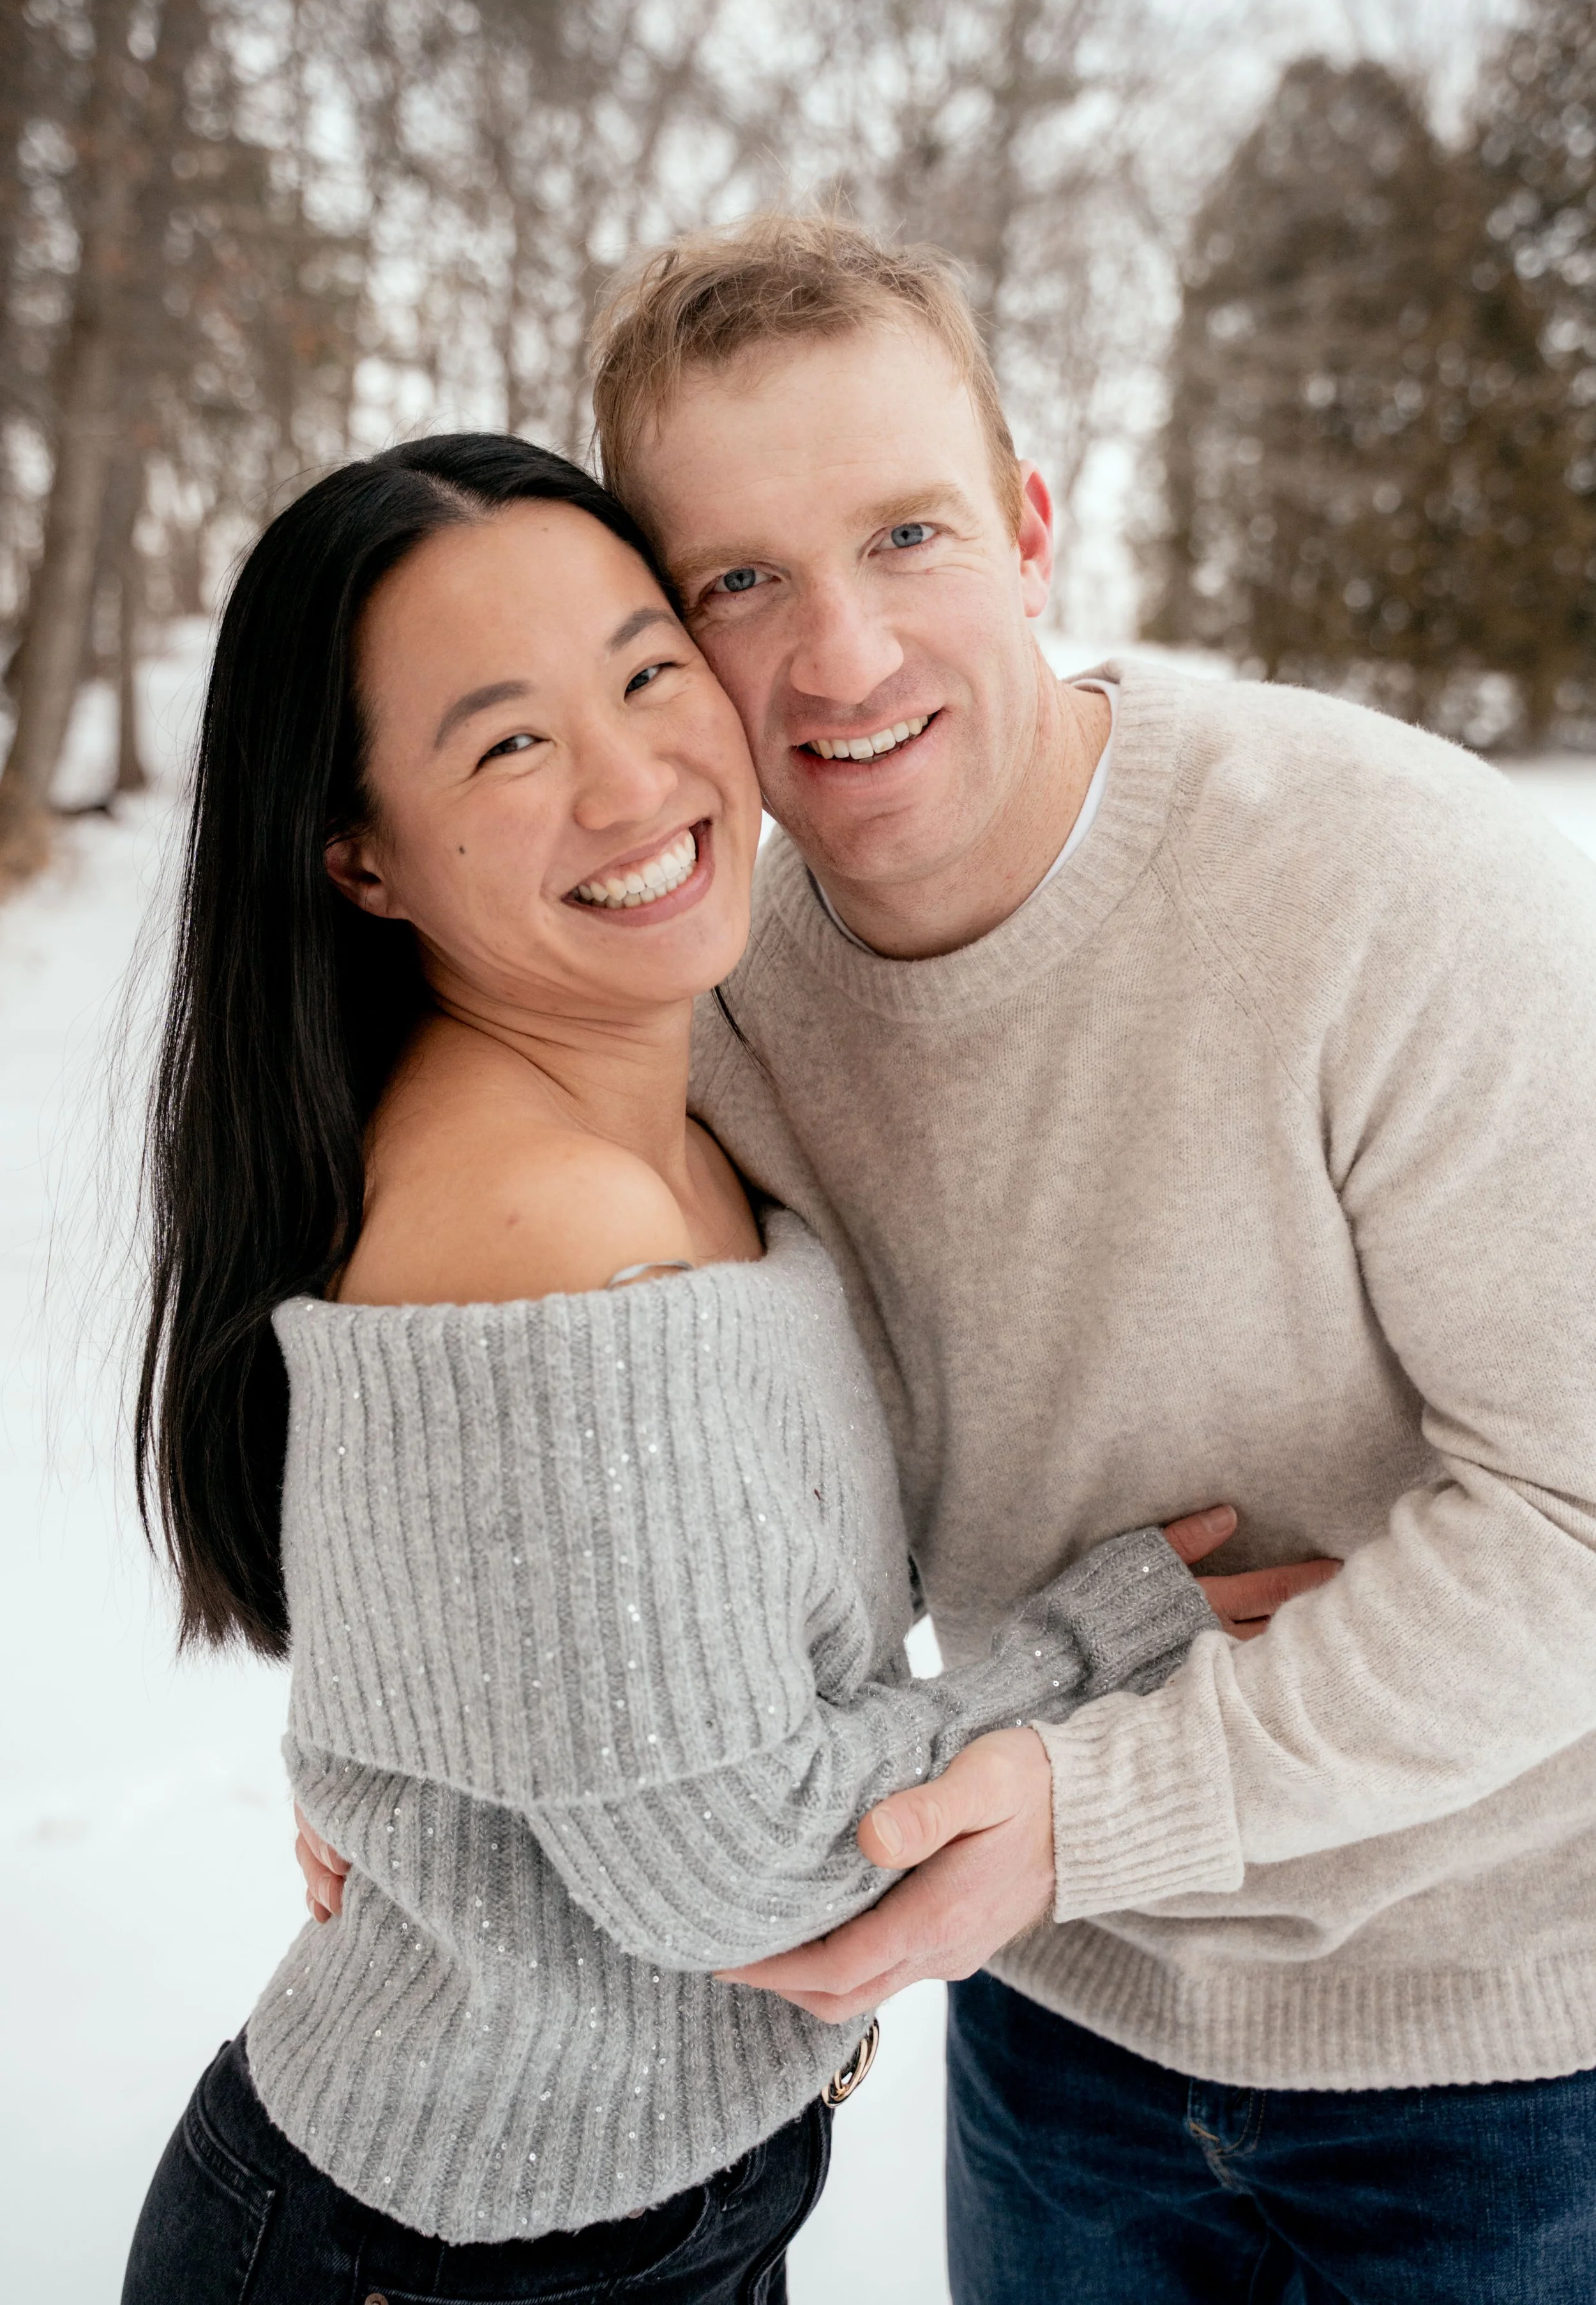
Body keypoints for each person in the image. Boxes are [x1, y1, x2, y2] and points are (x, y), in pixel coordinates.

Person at [308, 213, 1596, 2300]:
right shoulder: (697, 987)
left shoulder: (1392, 888)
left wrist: (1104, 1805)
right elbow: (501, 1374)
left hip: (1503, 2051)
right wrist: (398, 1724)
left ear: (1023, 526)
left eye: (905, 535)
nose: (837, 656)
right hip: (1051, 2030)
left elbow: (1581, 1507)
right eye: (737, 582)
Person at [123, 434, 1316, 2304]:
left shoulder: (667, 1065)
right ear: (359, 854)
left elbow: (507, 1602)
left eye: (645, 668)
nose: (631, 779)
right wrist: (1116, 1631)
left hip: (614, 2206)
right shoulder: (538, 1217)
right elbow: (745, 1869)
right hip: (450, 2259)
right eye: (507, 742)